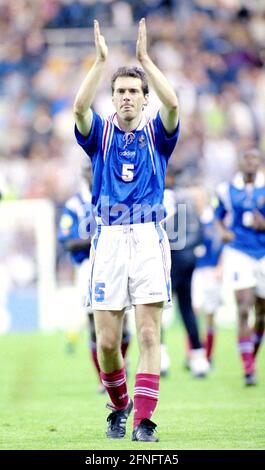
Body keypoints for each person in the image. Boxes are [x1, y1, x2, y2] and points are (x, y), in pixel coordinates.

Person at [73, 18, 180, 441]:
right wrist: (101, 62)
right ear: (113, 98)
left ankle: (144, 422)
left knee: (150, 332)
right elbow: (80, 109)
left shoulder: (157, 133)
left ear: (143, 98)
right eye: (120, 91)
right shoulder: (99, 134)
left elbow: (173, 105)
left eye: (134, 91)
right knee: (107, 343)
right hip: (110, 239)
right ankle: (119, 406)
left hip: (149, 237)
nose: (127, 97)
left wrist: (145, 61)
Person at [58, 162, 132, 393]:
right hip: (87, 267)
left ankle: (120, 363)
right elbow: (68, 241)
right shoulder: (74, 205)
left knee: (124, 322)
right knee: (95, 325)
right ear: (83, 174)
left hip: (116, 263)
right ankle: (103, 378)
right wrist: (97, 237)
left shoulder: (115, 196)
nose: (93, 173)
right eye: (89, 170)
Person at [215, 148, 265, 386]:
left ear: (259, 163)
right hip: (238, 252)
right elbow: (217, 215)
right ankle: (248, 369)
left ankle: (250, 358)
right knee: (244, 308)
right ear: (240, 162)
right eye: (246, 157)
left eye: (254, 158)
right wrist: (223, 231)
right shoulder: (227, 189)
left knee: (262, 313)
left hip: (262, 252)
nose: (250, 162)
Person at [163, 168, 210, 378]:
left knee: (159, 309)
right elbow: (198, 230)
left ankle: (161, 357)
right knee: (186, 309)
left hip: (171, 260)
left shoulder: (163, 196)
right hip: (187, 259)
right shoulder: (187, 198)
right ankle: (199, 356)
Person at [191, 185, 223, 366]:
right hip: (194, 271)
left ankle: (208, 355)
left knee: (210, 314)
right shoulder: (189, 219)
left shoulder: (213, 219)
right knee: (193, 310)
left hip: (211, 269)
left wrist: (221, 266)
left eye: (198, 197)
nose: (196, 201)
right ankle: (194, 353)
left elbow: (224, 243)